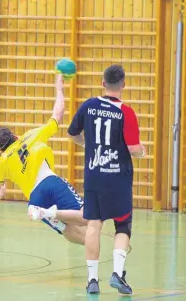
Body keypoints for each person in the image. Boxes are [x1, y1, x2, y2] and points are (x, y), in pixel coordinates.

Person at [68, 65, 145, 295]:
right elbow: (133, 148)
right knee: (123, 224)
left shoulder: (89, 105)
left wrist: (89, 144)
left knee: (94, 224)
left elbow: (73, 134)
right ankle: (117, 273)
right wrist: (143, 151)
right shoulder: (126, 113)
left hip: (94, 175)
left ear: (103, 83)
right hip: (117, 179)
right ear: (123, 85)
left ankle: (92, 280)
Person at [0, 75, 87, 245]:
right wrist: (59, 89)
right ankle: (53, 214)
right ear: (14, 136)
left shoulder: (0, 164)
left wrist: (0, 194)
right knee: (86, 217)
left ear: (0, 148)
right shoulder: (31, 136)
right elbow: (58, 113)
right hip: (51, 183)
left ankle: (50, 215)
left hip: (35, 199)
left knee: (66, 229)